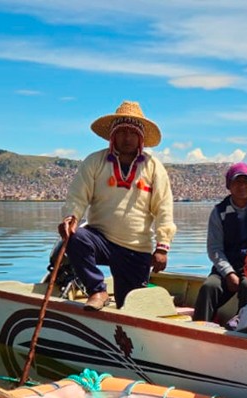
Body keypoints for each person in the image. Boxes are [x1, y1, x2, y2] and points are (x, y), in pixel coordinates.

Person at [58, 100, 176, 311]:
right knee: (75, 238)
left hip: (136, 249)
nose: (127, 138)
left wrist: (162, 246)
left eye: (132, 132)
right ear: (113, 135)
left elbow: (163, 208)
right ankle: (97, 289)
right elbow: (78, 196)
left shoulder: (153, 167)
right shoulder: (94, 161)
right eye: (122, 132)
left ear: (140, 137)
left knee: (128, 307)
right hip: (101, 239)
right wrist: (71, 218)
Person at [192, 163, 247, 322]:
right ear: (228, 186)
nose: (242, 186)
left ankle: (243, 328)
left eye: (246, 182)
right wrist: (229, 273)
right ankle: (199, 328)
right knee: (209, 287)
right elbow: (215, 249)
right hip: (229, 265)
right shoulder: (219, 212)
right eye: (237, 182)